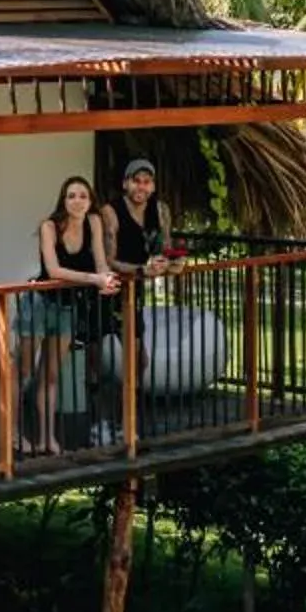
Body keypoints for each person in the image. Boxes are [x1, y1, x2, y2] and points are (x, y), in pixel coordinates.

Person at [22, 175, 117, 457]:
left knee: (50, 375)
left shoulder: (94, 223)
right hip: (38, 303)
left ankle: (46, 438)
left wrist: (107, 278)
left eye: (83, 196)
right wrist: (93, 279)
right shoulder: (49, 227)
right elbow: (54, 271)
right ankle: (13, 434)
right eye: (71, 196)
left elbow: (100, 261)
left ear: (90, 201)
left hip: (67, 306)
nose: (77, 201)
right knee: (24, 371)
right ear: (63, 200)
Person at [97, 158, 175, 437]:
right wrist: (141, 269)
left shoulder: (160, 210)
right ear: (125, 184)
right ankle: (101, 422)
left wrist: (167, 263)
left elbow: (165, 247)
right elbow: (108, 259)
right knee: (99, 360)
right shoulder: (111, 212)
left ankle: (122, 421)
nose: (141, 186)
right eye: (136, 181)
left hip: (134, 291)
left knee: (139, 359)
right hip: (106, 289)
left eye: (147, 181)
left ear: (152, 186)